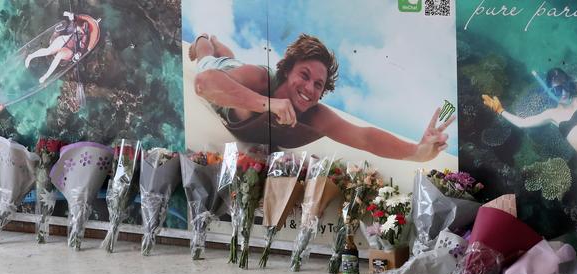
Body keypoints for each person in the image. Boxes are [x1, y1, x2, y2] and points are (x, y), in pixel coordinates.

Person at [190, 33, 454, 162]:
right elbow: (204, 84)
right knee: (208, 57)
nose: (309, 88)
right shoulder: (262, 79)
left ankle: (224, 49)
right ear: (286, 69)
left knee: (233, 60)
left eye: (318, 84)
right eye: (304, 75)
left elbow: (365, 138)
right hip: (222, 77)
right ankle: (207, 40)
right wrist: (269, 104)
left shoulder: (314, 114)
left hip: (238, 78)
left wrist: (417, 152)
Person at [482, 67, 577, 194]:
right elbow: (522, 123)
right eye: (557, 90)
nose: (564, 93)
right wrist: (501, 110)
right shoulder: (551, 114)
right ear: (550, 92)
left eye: (566, 86)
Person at [25, 11, 88, 84]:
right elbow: (65, 14)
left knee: (58, 56)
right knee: (48, 51)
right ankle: (30, 56)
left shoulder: (84, 36)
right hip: (64, 39)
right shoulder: (74, 24)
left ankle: (45, 76)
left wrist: (78, 54)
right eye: (82, 25)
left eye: (84, 27)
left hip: (70, 49)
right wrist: (70, 15)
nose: (82, 27)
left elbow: (82, 48)